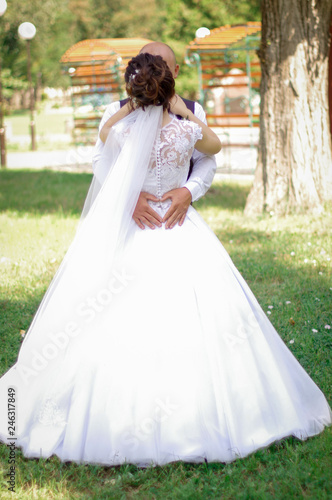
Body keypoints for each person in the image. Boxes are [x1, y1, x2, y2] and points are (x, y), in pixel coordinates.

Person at [0, 53, 331, 469]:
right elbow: (215, 144)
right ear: (171, 86)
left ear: (133, 90)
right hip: (177, 231)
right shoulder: (184, 131)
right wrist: (179, 112)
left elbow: (104, 140)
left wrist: (128, 107)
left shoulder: (120, 129)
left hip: (138, 230)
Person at [92, 41, 217, 230]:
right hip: (127, 215)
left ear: (174, 71)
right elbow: (101, 159)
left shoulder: (192, 111)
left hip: (175, 217)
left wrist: (188, 192)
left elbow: (206, 158)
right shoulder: (115, 111)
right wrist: (128, 196)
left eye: (161, 67)